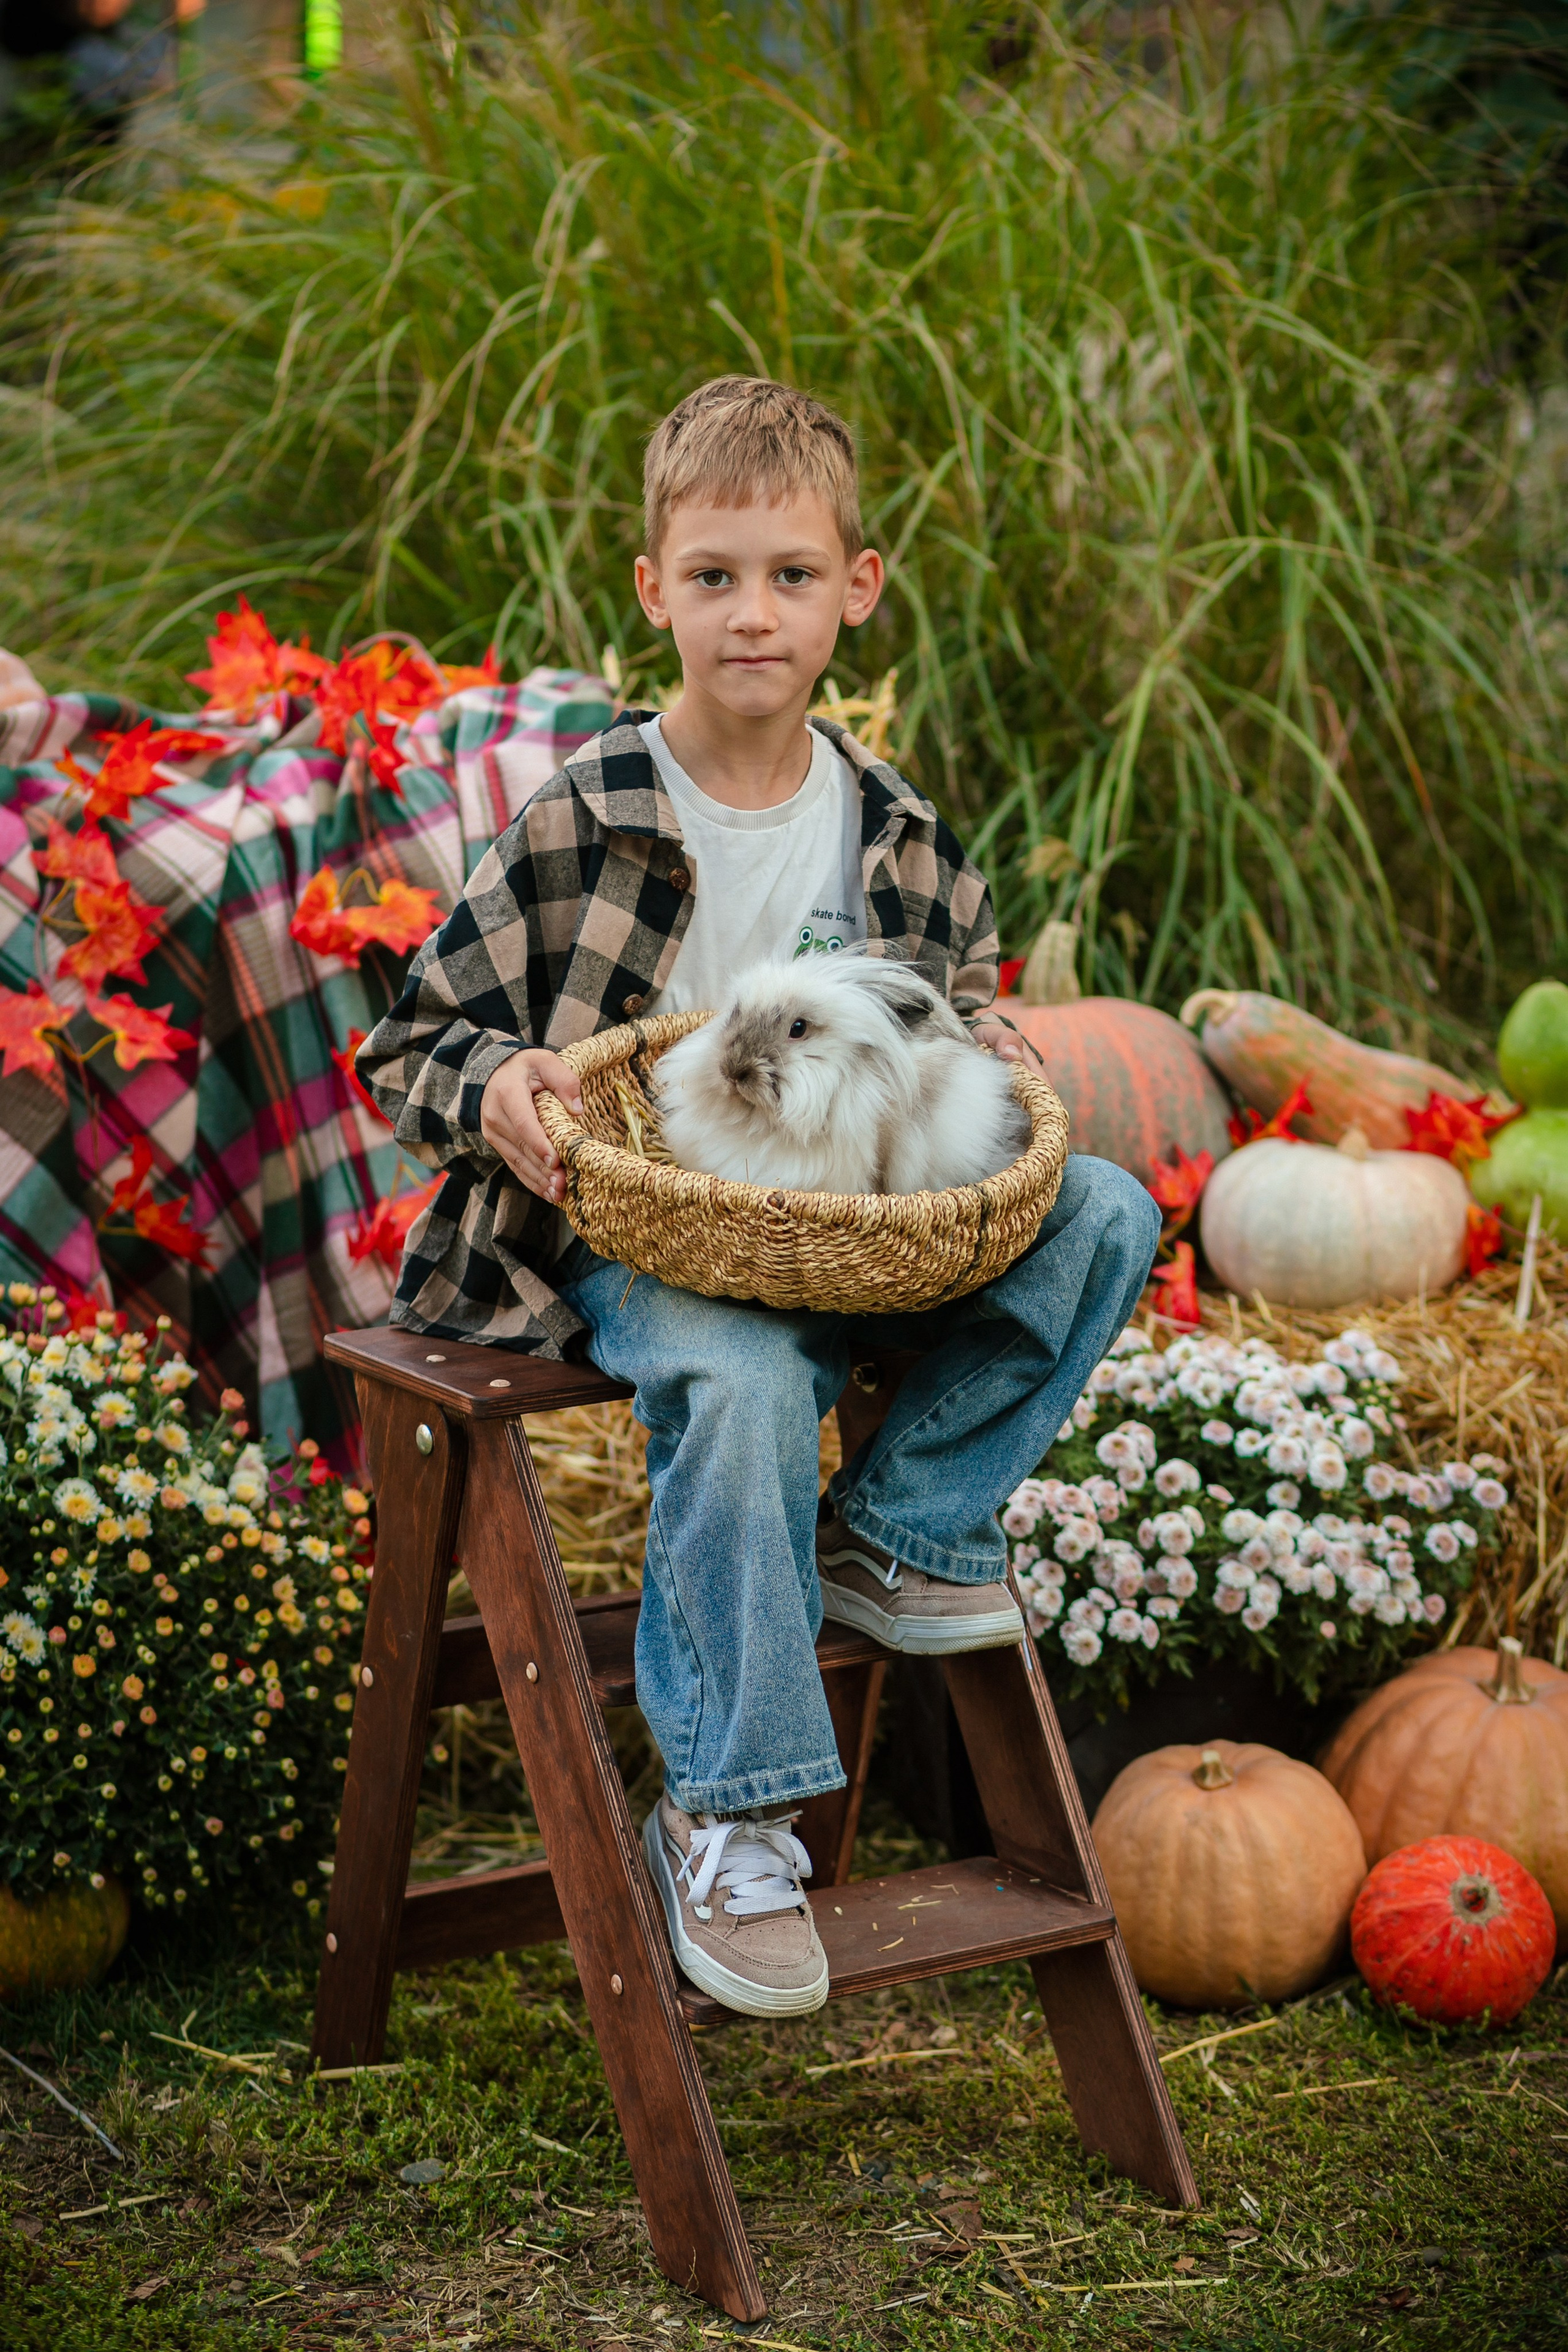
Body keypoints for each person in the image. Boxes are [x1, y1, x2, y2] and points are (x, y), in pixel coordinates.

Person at [357, 376, 1160, 2019]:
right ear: (653, 591)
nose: (753, 614)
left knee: (1103, 1214)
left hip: (859, 1233)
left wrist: (991, 1056)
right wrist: (495, 1085)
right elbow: (413, 1042)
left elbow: (956, 1030)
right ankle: (732, 1820)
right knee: (742, 1376)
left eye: (792, 576)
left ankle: (898, 1530)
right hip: (647, 1231)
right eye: (714, 576)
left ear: (855, 590)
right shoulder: (590, 812)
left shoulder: (896, 833)